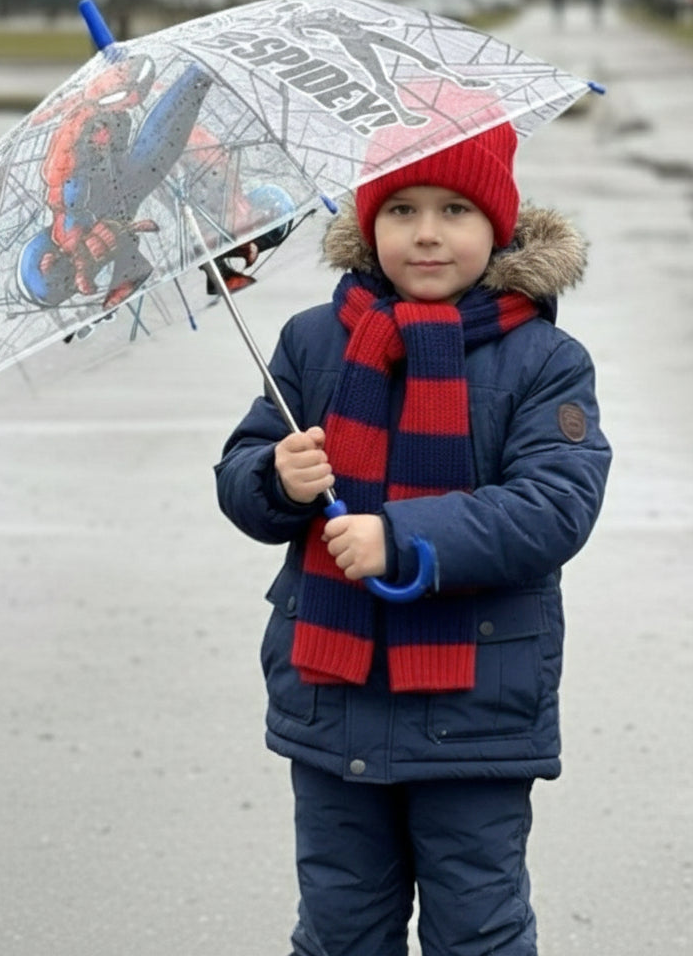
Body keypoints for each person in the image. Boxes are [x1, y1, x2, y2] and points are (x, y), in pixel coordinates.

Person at [214, 121, 611, 956]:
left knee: (479, 930)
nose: (426, 232)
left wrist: (403, 538)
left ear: (498, 225)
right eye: (400, 209)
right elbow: (243, 470)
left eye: (454, 209)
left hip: (475, 712)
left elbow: (554, 505)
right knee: (340, 928)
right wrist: (276, 480)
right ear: (369, 224)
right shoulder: (313, 343)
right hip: (334, 704)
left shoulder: (542, 359)